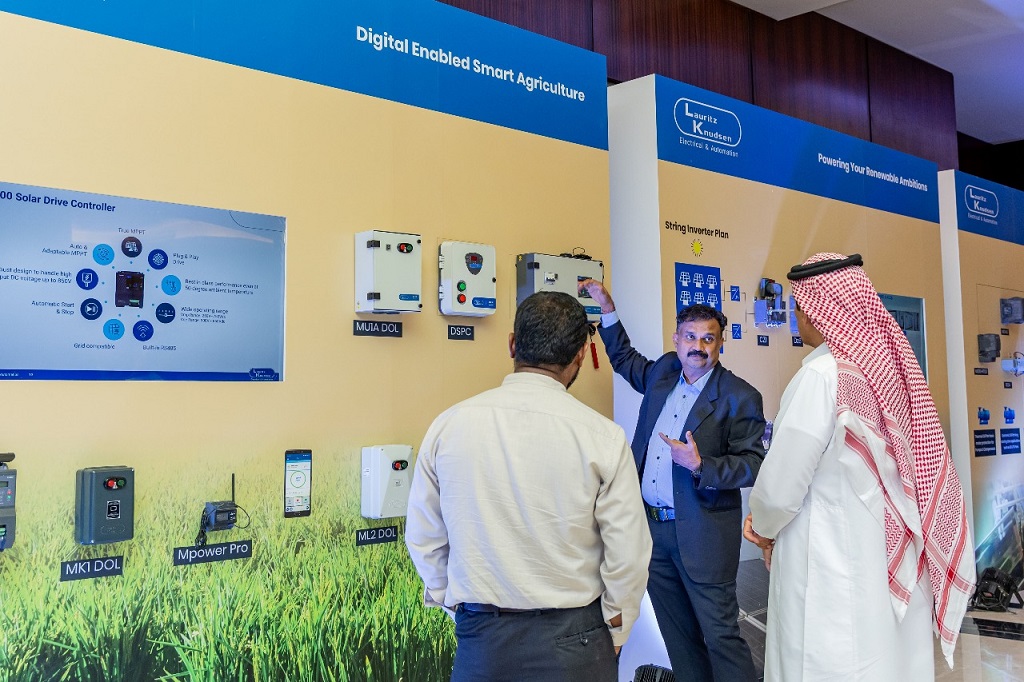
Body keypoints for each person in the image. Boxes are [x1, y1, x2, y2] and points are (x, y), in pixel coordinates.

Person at [744, 252, 976, 681]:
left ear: (817, 310)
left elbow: (779, 490)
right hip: (888, 561)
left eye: (799, 306)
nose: (796, 317)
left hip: (832, 573)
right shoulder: (888, 372)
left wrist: (762, 526)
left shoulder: (822, 377)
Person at [405, 291, 653, 682]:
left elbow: (423, 537)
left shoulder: (449, 426)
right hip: (576, 642)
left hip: (483, 639)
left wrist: (456, 605)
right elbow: (628, 552)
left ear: (512, 345)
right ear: (579, 357)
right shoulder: (603, 437)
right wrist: (617, 626)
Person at [580, 279, 766, 682]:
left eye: (708, 339)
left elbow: (754, 463)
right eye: (690, 337)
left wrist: (702, 465)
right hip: (653, 532)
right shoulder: (665, 371)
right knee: (678, 636)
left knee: (720, 636)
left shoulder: (740, 396)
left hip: (703, 535)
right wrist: (607, 308)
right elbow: (625, 360)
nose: (698, 346)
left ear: (720, 344)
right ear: (677, 340)